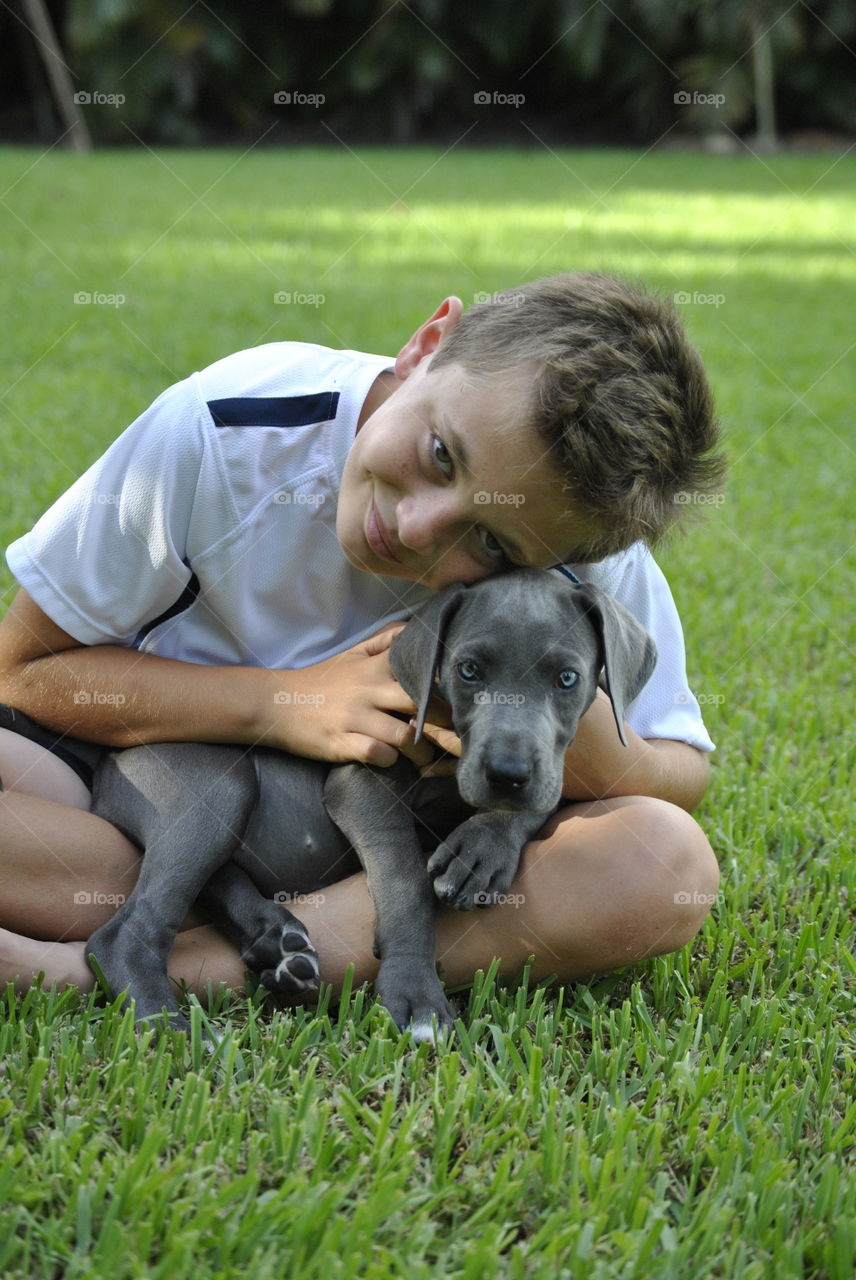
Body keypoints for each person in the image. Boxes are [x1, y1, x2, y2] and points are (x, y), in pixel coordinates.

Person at [0, 272, 725, 1011]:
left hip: (420, 849)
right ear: (425, 347)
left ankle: (140, 960)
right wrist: (281, 706)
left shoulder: (590, 551)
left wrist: (584, 750)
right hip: (125, 806)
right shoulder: (228, 428)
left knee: (660, 860)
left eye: (493, 544)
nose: (417, 528)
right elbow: (21, 671)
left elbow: (682, 771)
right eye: (443, 453)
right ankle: (198, 925)